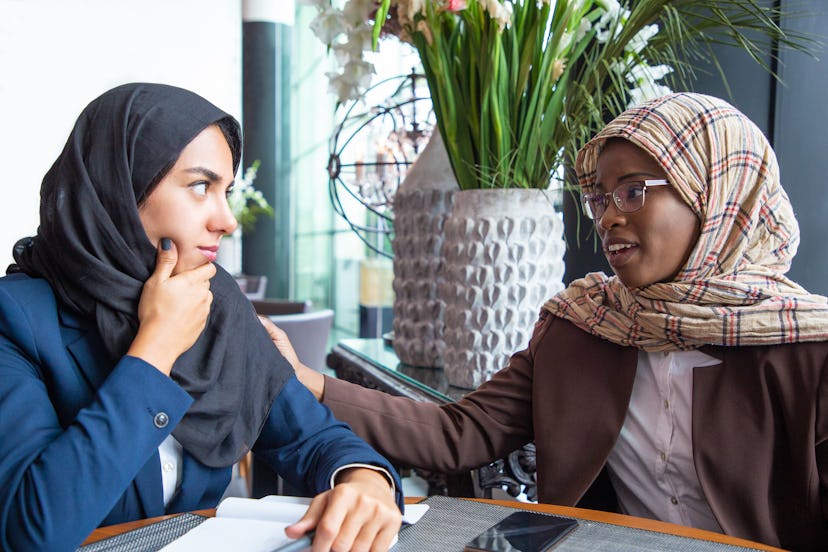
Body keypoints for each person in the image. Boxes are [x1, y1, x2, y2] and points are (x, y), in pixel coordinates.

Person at [265, 92, 828, 551]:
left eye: (633, 192)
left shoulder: (809, 351)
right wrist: (305, 378)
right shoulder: (582, 327)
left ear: (717, 198)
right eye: (600, 198)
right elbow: (460, 433)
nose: (608, 217)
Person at [0, 83, 403, 552]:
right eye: (200, 186)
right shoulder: (16, 319)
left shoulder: (215, 299)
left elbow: (311, 433)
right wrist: (155, 347)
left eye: (226, 191)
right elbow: (31, 531)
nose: (227, 220)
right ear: (121, 188)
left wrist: (365, 481)